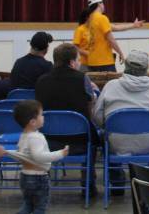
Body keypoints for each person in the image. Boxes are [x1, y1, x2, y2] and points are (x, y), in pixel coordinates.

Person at [35, 43, 98, 194]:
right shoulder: (82, 78)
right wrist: (94, 93)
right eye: (78, 59)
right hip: (79, 139)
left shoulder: (41, 80)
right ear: (71, 62)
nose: (80, 62)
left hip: (48, 139)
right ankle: (88, 184)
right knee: (94, 139)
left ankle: (43, 183)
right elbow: (90, 103)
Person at [93, 49, 149, 155]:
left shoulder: (110, 86)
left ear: (125, 66)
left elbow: (97, 118)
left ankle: (113, 166)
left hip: (117, 145)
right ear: (146, 69)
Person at [13, 100, 68, 214]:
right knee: (40, 207)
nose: (43, 117)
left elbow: (20, 155)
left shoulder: (23, 135)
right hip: (38, 178)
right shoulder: (36, 137)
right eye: (41, 115)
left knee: (28, 205)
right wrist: (60, 154)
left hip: (24, 176)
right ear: (33, 122)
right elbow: (40, 157)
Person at [74, 0, 142, 72]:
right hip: (104, 61)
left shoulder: (91, 19)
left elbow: (115, 27)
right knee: (111, 80)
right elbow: (111, 39)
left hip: (92, 62)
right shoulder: (102, 18)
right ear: (99, 4)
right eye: (103, 3)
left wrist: (133, 25)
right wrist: (120, 53)